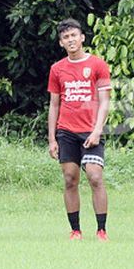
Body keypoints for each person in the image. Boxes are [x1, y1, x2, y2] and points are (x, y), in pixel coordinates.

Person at [47, 18, 112, 241]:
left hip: (91, 130)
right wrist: (52, 139)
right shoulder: (57, 69)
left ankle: (101, 230)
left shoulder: (97, 65)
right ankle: (75, 230)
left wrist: (97, 130)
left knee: (95, 177)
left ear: (82, 37)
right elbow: (54, 104)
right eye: (66, 37)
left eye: (74, 35)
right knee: (69, 179)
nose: (71, 40)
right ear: (61, 43)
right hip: (66, 131)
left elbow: (104, 101)